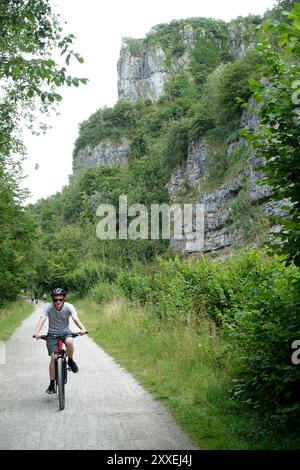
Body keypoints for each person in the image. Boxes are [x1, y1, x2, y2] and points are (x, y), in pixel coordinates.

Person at [33, 288, 87, 394]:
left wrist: (82, 328)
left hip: (66, 332)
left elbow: (75, 318)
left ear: (64, 299)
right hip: (52, 334)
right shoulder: (48, 307)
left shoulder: (69, 307)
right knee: (53, 358)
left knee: (70, 342)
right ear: (52, 300)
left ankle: (70, 361)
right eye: (55, 299)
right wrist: (37, 332)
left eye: (60, 299)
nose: (58, 302)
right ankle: (52, 384)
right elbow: (42, 319)